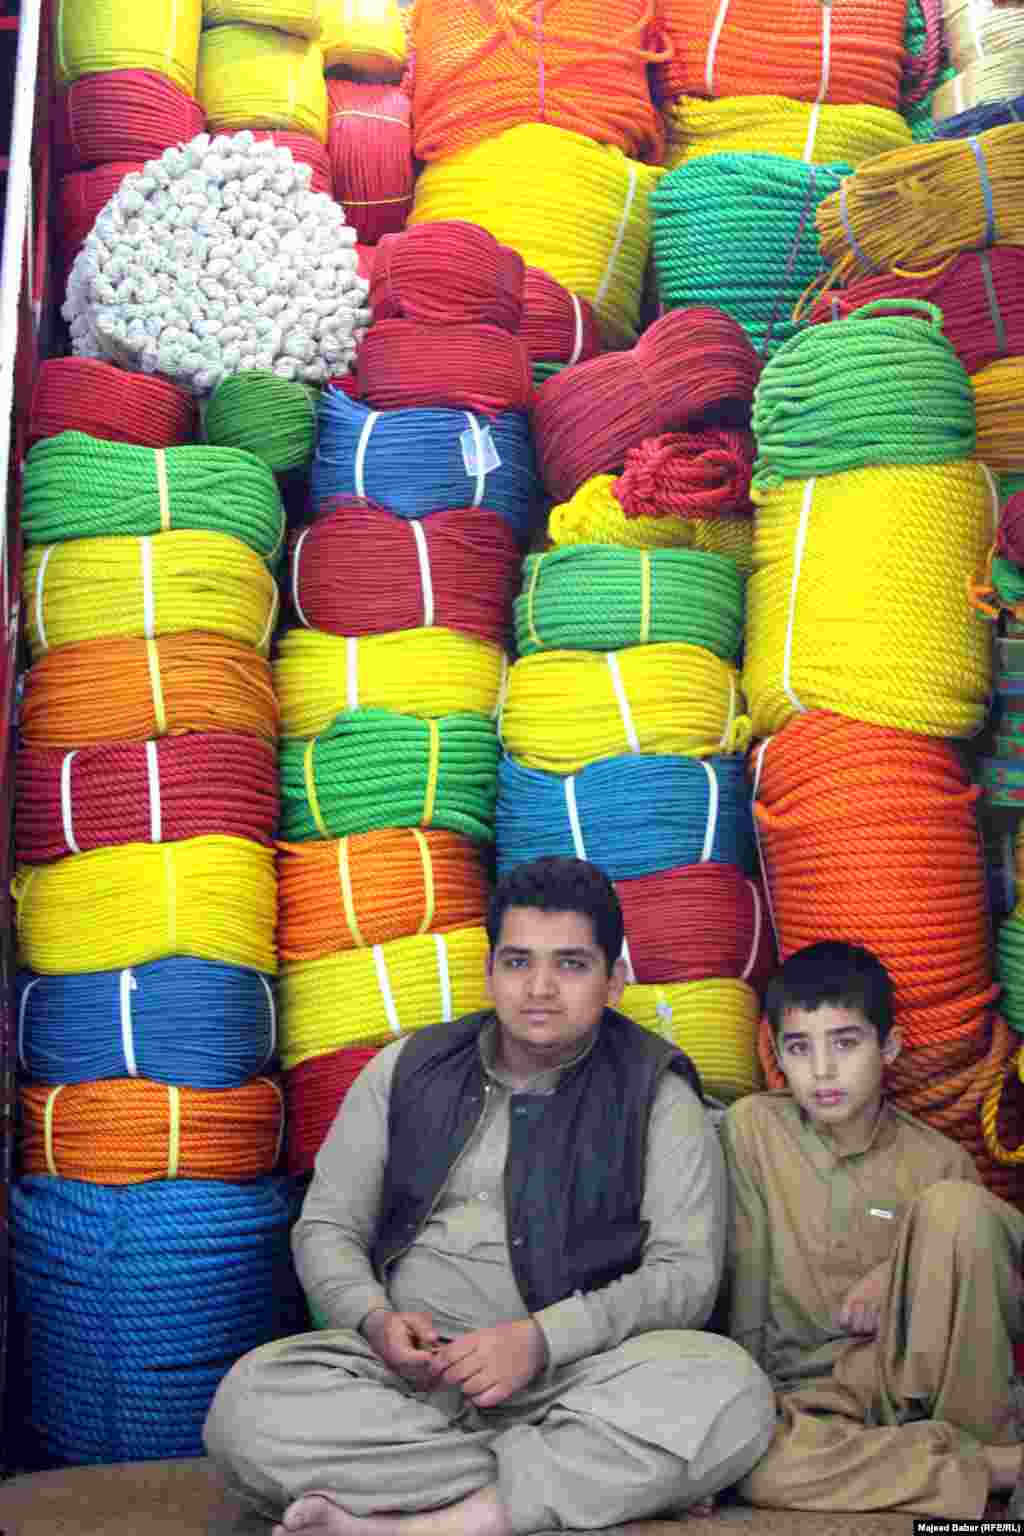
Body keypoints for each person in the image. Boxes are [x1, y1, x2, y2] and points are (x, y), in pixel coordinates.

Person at [204, 855, 775, 1536]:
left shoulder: (658, 1093)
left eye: (570, 964)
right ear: (488, 973)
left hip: (577, 1380)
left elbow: (685, 1278)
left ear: (614, 981)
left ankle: (427, 1522)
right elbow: (327, 1226)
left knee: (731, 1391)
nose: (539, 988)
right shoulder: (408, 1069)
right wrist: (376, 1322)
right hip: (411, 1383)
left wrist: (540, 1341)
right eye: (516, 962)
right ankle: (566, 1489)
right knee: (245, 1407)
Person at [721, 939, 1024, 1519]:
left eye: (846, 1042)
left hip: (915, 1386)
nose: (823, 1070)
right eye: (799, 1048)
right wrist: (738, 1408)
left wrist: (898, 1273)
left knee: (958, 1209)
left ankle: (942, 1460)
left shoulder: (939, 1163)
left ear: (889, 1047)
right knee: (753, 1464)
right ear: (777, 1058)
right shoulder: (755, 1131)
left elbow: (982, 1291)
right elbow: (745, 1276)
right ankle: (989, 1469)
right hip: (808, 1400)